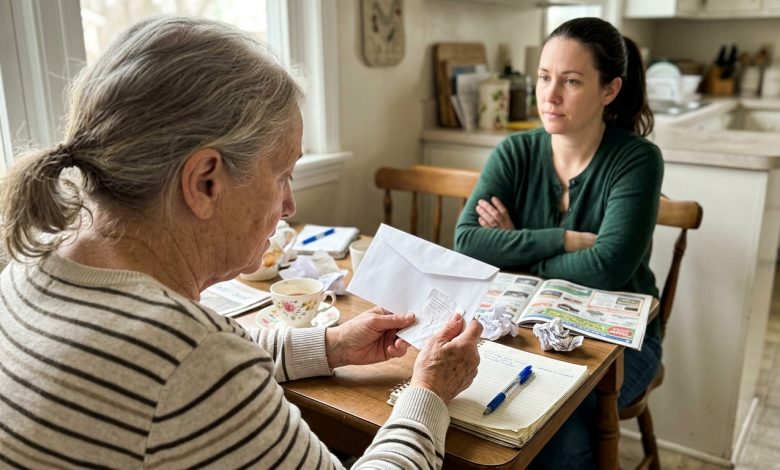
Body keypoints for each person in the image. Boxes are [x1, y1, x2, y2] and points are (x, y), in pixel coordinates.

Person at [0, 16, 482, 469]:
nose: (289, 205)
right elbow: (197, 368)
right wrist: (430, 393)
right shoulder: (194, 362)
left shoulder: (31, 260)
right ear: (206, 180)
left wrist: (330, 345)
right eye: (283, 175)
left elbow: (193, 368)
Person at [454, 17, 663, 469]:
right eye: (544, 78)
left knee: (561, 427)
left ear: (609, 90)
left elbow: (607, 267)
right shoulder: (514, 152)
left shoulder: (637, 161)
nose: (549, 96)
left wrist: (515, 247)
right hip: (527, 331)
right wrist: (564, 240)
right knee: (473, 399)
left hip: (620, 345)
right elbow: (468, 240)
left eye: (570, 81)